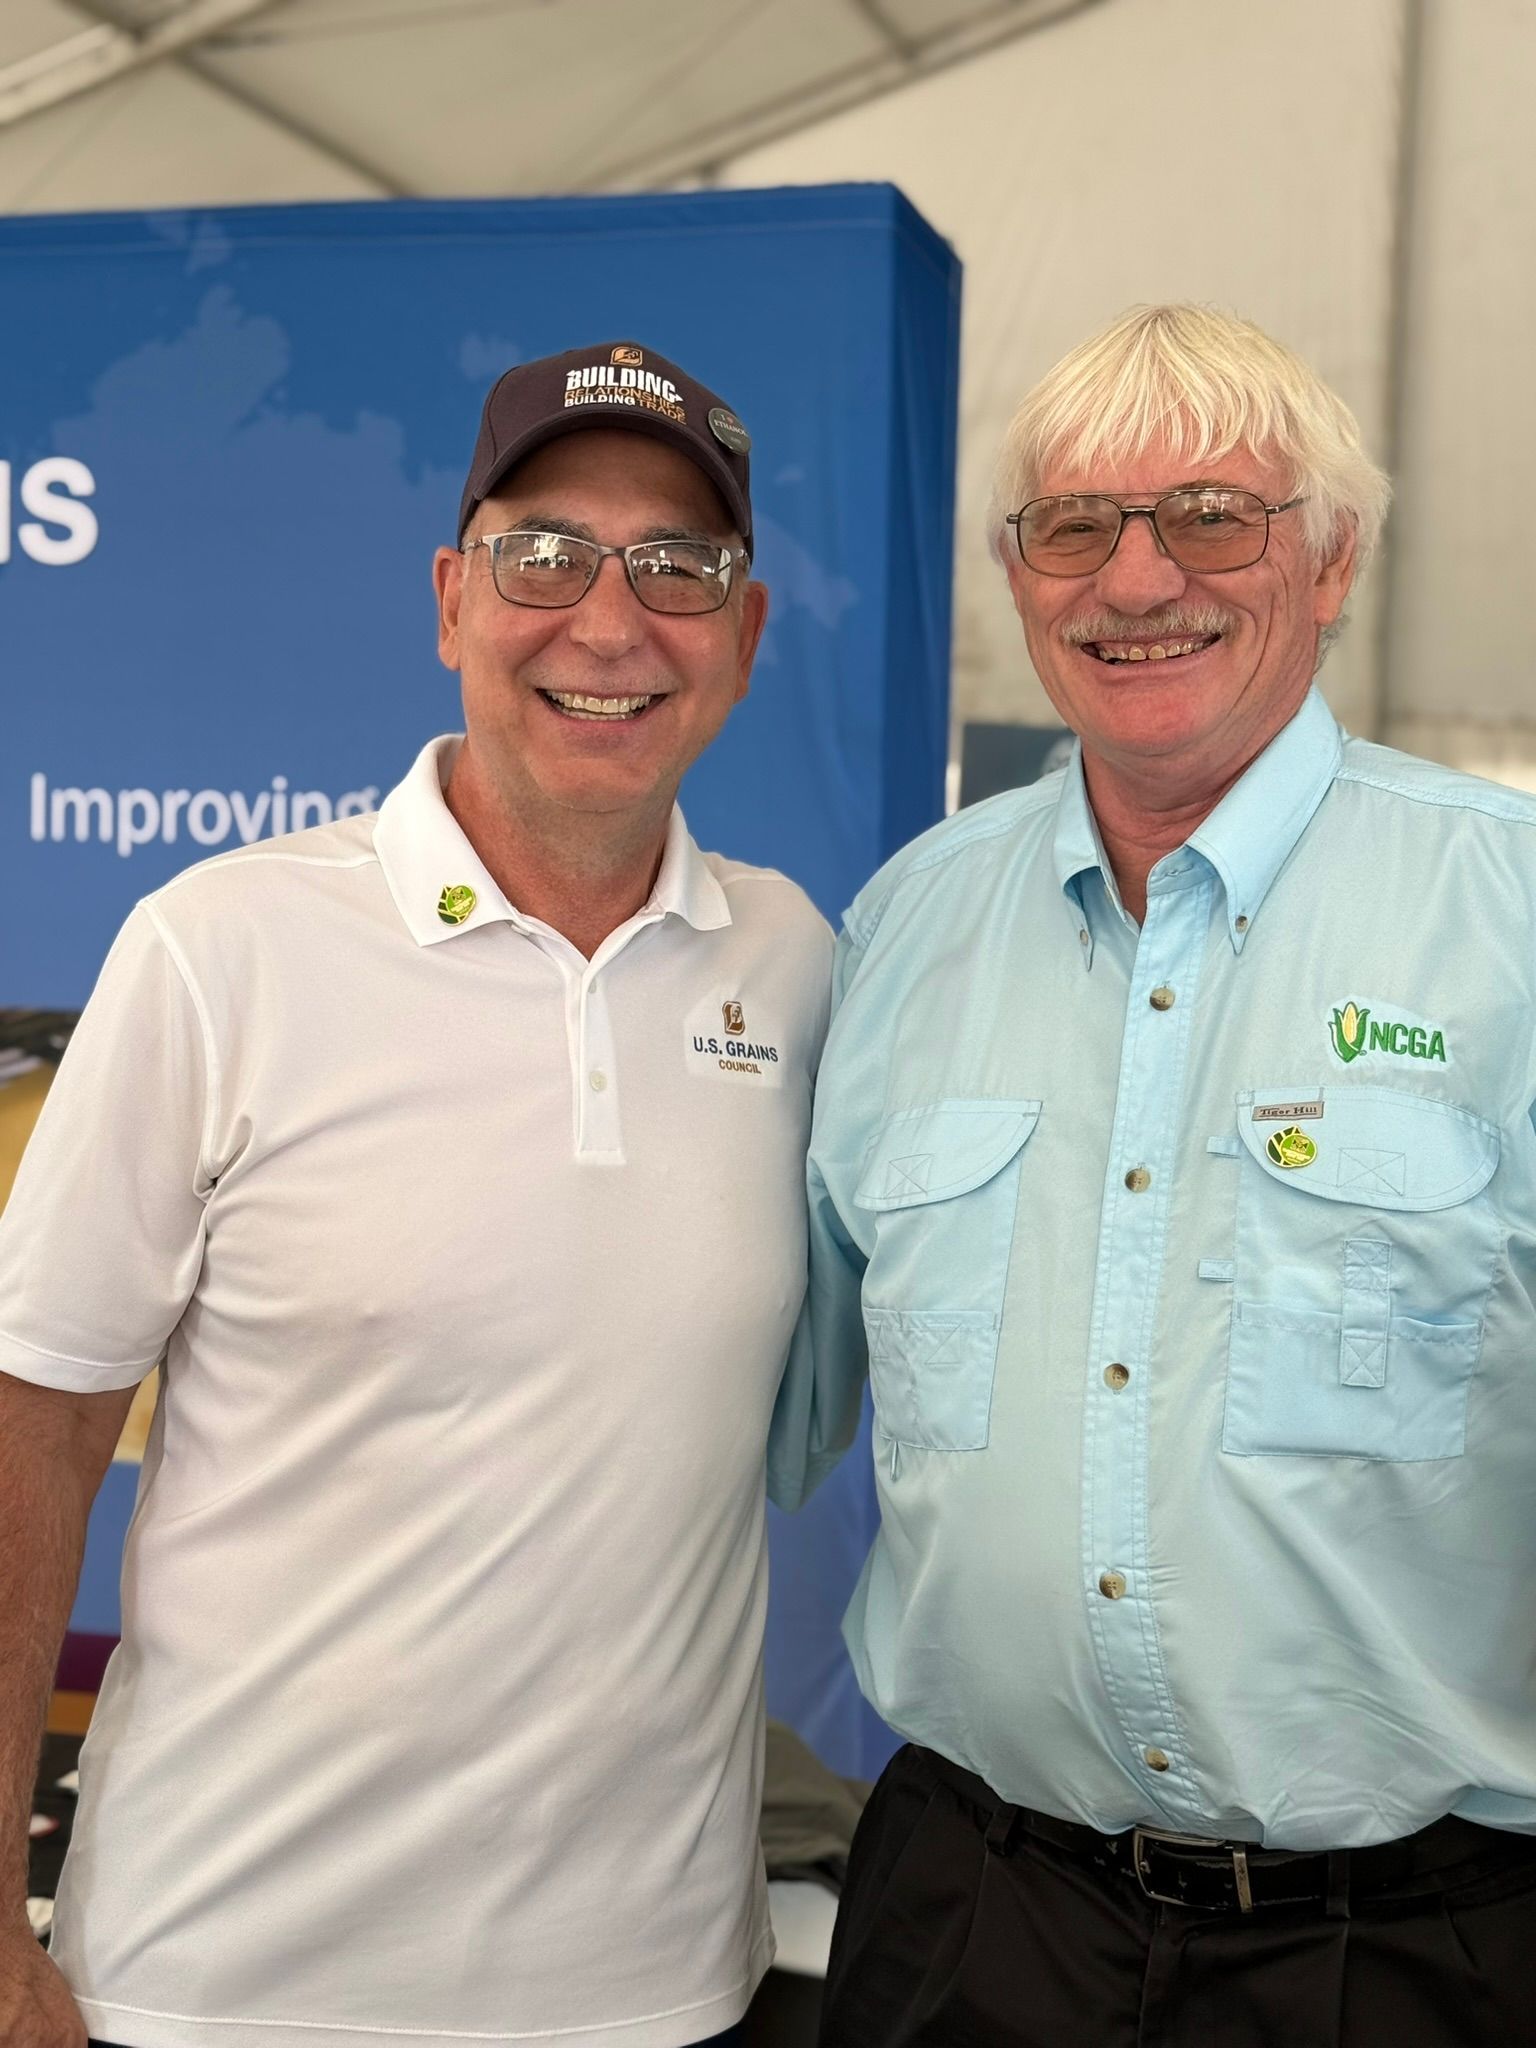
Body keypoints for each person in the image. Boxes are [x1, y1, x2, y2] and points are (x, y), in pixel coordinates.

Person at [0, 340, 833, 2048]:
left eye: (680, 568)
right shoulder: (218, 951)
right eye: (545, 555)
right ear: (454, 600)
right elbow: (33, 1433)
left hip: (657, 1994)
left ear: (744, 645)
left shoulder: (794, 963)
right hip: (218, 1989)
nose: (610, 622)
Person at [771, 303, 1536, 2045]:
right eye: (1075, 528)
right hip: (971, 1917)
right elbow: (752, 1381)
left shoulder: (1514, 914)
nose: (1136, 581)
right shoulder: (902, 929)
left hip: (1409, 1956)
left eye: (1211, 517)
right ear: (1017, 579)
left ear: (1331, 562)